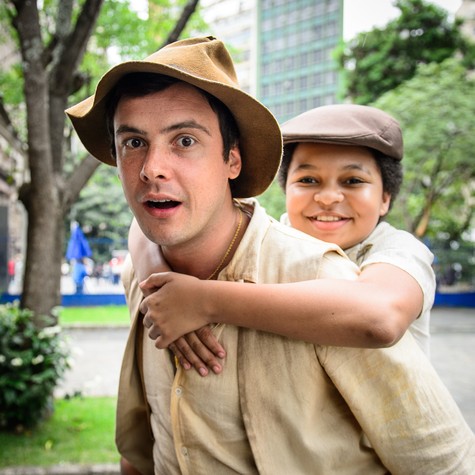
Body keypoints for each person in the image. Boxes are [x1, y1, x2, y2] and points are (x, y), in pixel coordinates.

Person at [66, 36, 475, 474]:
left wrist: (203, 299)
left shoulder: (326, 279)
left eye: (184, 140)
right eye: (132, 143)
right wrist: (153, 272)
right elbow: (145, 445)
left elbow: (443, 461)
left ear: (233, 160)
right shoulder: (145, 271)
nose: (152, 169)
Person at [129, 104, 434, 377]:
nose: (327, 198)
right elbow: (146, 221)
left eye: (352, 181)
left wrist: (203, 301)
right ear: (286, 189)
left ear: (384, 198)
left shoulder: (397, 250)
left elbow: (381, 317)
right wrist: (157, 278)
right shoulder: (279, 237)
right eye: (308, 180)